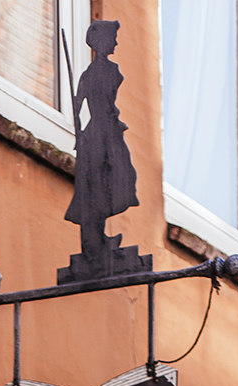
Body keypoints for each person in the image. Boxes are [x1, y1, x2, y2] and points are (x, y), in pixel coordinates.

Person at [64, 20, 139, 264]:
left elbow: (80, 103)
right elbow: (85, 104)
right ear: (102, 41)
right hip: (102, 133)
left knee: (111, 180)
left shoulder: (95, 73)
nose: (116, 42)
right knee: (100, 183)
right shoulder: (103, 72)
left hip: (102, 131)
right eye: (113, 37)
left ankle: (98, 239)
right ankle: (94, 243)